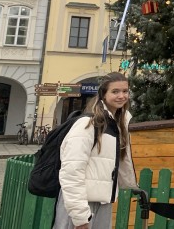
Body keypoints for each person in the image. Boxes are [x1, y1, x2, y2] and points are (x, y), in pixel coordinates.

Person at [52, 72, 137, 229]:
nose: (121, 96)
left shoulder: (118, 125)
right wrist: (80, 216)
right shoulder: (88, 124)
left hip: (102, 203)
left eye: (125, 91)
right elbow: (71, 171)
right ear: (103, 95)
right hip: (81, 205)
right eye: (115, 91)